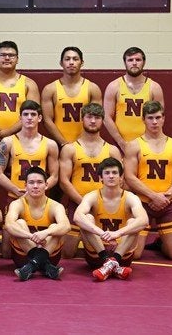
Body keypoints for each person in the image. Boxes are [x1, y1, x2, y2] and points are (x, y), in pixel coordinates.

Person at [0, 100, 59, 257]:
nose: (29, 118)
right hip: (15, 198)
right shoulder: (7, 142)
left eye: (33, 114)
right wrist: (16, 189)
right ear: (20, 118)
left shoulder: (50, 144)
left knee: (42, 241)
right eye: (26, 114)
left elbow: (55, 175)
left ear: (40, 118)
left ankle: (38, 260)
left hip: (40, 201)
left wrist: (39, 189)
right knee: (6, 253)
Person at [124, 101, 172, 260]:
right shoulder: (134, 145)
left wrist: (164, 198)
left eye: (158, 117)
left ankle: (160, 243)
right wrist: (153, 196)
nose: (154, 122)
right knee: (135, 254)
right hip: (142, 203)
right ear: (143, 119)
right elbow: (129, 176)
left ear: (164, 119)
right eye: (150, 118)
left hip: (167, 203)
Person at [59, 103, 121, 258]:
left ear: (102, 121)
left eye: (97, 118)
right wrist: (83, 203)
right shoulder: (70, 148)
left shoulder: (112, 150)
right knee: (67, 253)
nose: (93, 121)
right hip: (76, 203)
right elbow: (64, 181)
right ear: (82, 119)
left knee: (109, 250)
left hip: (104, 206)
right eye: (89, 117)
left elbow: (121, 180)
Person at [74, 157, 149, 281]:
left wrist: (117, 233)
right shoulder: (92, 196)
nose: (111, 176)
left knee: (133, 222)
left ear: (121, 177)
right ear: (101, 178)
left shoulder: (130, 197)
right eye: (107, 173)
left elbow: (144, 220)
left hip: (122, 252)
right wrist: (102, 234)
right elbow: (77, 217)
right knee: (86, 218)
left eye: (115, 173)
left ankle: (113, 261)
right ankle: (109, 262)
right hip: (97, 253)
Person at [4, 166, 70, 281]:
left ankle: (30, 267)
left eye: (39, 182)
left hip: (51, 255)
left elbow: (66, 226)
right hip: (22, 256)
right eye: (31, 182)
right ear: (25, 186)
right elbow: (9, 225)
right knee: (19, 223)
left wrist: (46, 233)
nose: (35, 186)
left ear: (46, 185)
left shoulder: (56, 206)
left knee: (56, 227)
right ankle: (46, 266)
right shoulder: (17, 204)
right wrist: (32, 236)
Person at [103, 47, 165, 150]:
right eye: (130, 60)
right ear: (125, 63)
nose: (134, 63)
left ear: (144, 62)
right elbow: (106, 117)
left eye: (138, 60)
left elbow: (159, 118)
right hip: (120, 144)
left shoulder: (154, 87)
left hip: (147, 145)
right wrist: (121, 143)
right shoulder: (114, 86)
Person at [40, 46, 102, 146]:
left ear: (82, 63)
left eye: (75, 59)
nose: (71, 62)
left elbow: (96, 119)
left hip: (85, 145)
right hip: (60, 144)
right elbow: (47, 120)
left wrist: (80, 144)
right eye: (67, 59)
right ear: (61, 63)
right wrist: (64, 143)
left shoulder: (92, 88)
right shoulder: (50, 89)